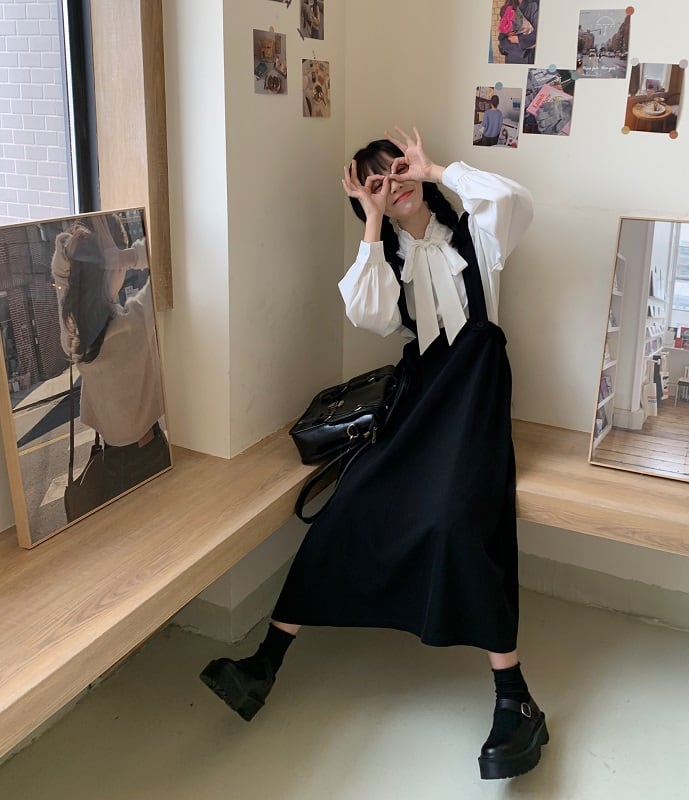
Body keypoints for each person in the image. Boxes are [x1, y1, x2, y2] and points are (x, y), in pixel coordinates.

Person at [200, 127, 547, 780]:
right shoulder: (387, 259)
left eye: (397, 169)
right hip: (418, 398)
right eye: (376, 182)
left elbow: (515, 200)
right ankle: (265, 662)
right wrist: (372, 220)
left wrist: (436, 170)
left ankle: (515, 698)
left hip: (473, 398)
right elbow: (369, 315)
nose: (393, 183)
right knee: (349, 504)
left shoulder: (477, 234)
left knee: (457, 521)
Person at [51, 214, 170, 502]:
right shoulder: (135, 322)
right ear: (113, 266)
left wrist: (76, 247)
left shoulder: (74, 334)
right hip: (149, 452)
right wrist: (126, 256)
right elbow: (167, 253)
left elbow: (61, 274)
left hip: (112, 459)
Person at [497, 0, 538, 64]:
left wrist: (519, 39)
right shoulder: (506, 7)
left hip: (527, 58)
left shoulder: (534, 6)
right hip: (510, 58)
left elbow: (539, 35)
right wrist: (503, 48)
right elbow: (502, 38)